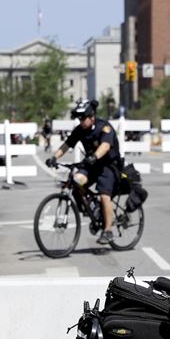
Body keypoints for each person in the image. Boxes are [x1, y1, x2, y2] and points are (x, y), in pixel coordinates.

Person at [46, 99, 122, 245]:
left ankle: (108, 230)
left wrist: (94, 156)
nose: (81, 121)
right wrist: (54, 157)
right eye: (79, 118)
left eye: (83, 118)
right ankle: (92, 209)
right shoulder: (80, 130)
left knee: (104, 195)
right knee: (75, 180)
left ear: (92, 116)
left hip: (109, 165)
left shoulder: (104, 127)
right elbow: (67, 144)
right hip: (92, 165)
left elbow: (105, 146)